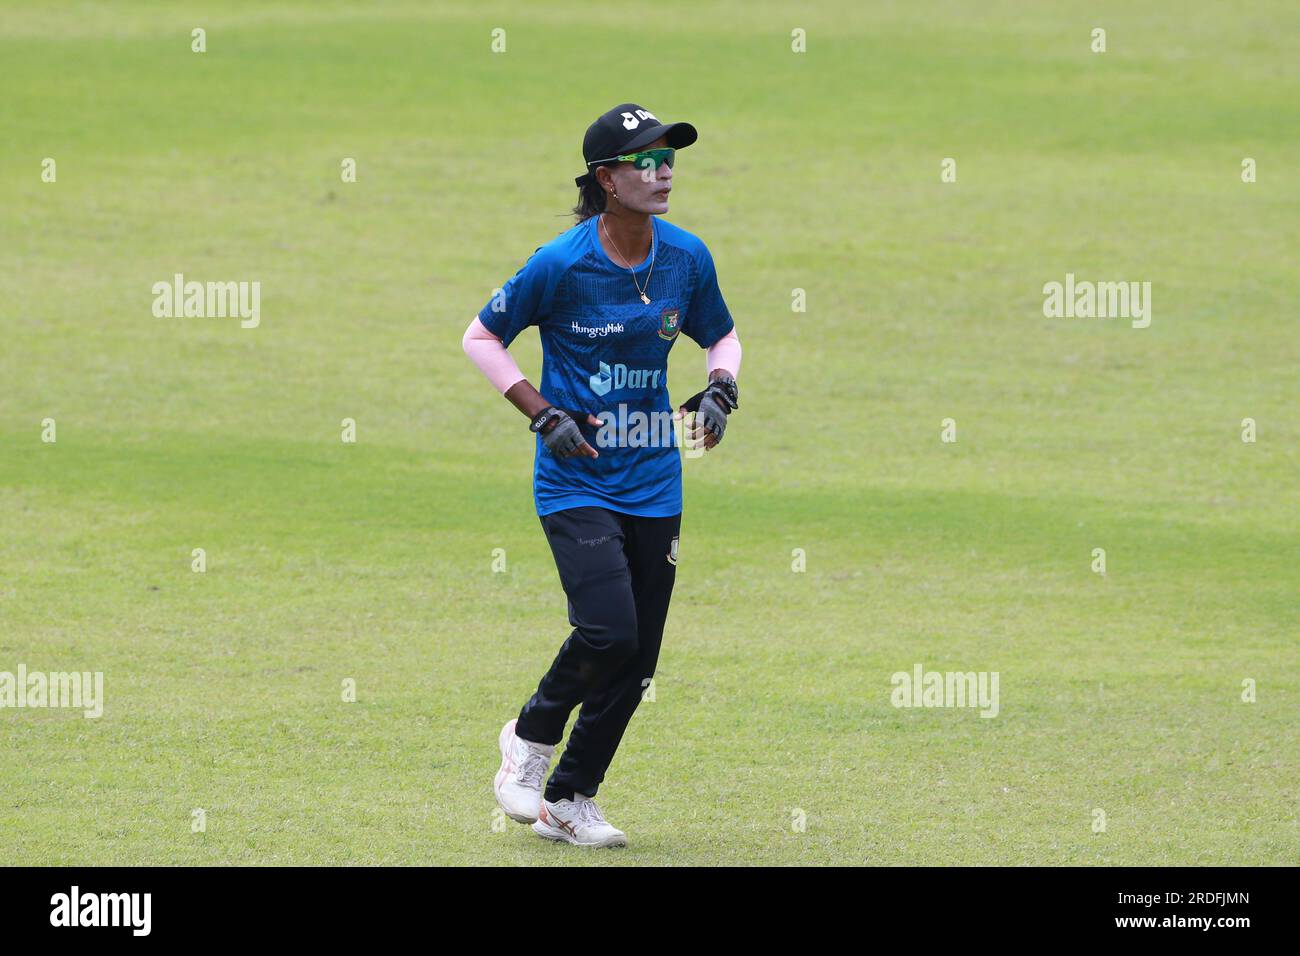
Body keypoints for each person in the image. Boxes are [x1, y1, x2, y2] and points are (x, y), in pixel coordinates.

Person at [463, 103, 742, 847]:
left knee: (639, 656)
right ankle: (527, 738)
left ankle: (569, 798)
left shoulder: (685, 256)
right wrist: (539, 411)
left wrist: (721, 387)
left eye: (668, 158)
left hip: (654, 473)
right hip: (576, 479)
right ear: (606, 180)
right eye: (645, 161)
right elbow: (481, 336)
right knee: (607, 629)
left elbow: (722, 334)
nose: (663, 171)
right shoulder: (560, 263)